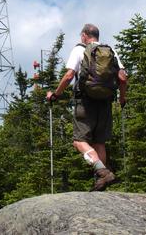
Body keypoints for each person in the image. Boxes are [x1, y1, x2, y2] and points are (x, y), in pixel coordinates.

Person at [46, 23, 127, 191]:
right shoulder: (110, 51)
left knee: (79, 141)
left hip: (85, 101)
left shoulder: (79, 50)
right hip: (105, 102)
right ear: (97, 36)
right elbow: (123, 78)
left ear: (84, 36)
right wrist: (122, 99)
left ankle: (101, 171)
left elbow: (69, 75)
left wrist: (56, 94)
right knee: (99, 142)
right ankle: (102, 181)